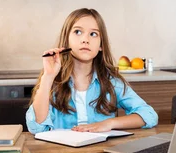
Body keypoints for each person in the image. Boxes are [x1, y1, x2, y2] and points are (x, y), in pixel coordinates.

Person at [26, 8, 158, 134]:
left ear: (101, 45)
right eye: (78, 32)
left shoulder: (111, 81)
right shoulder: (52, 81)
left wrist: (109, 123)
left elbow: (149, 115)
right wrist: (48, 77)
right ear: (66, 39)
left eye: (93, 34)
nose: (85, 40)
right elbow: (37, 128)